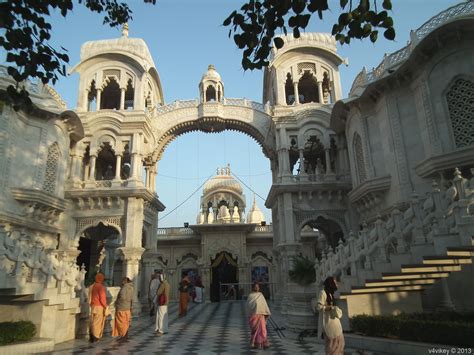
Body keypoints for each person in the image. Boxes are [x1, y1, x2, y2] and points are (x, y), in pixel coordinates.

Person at [317, 277, 345, 355]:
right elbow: (319, 307)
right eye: (335, 282)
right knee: (331, 345)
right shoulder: (323, 293)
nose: (336, 284)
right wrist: (329, 308)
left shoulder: (330, 294)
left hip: (334, 321)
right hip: (327, 321)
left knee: (340, 342)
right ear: (330, 283)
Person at [247, 282, 271, 349]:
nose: (257, 288)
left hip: (261, 315)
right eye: (255, 286)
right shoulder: (250, 296)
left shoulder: (261, 295)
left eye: (258, 287)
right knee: (254, 331)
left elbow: (264, 304)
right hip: (254, 316)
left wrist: (266, 312)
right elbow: (249, 306)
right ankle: (254, 344)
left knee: (263, 330)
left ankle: (264, 343)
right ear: (253, 287)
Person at [89, 272, 108, 343]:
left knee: (93, 321)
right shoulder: (100, 287)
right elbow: (102, 299)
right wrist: (105, 306)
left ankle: (92, 336)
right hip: (99, 307)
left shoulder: (92, 286)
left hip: (93, 306)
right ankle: (95, 337)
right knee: (97, 323)